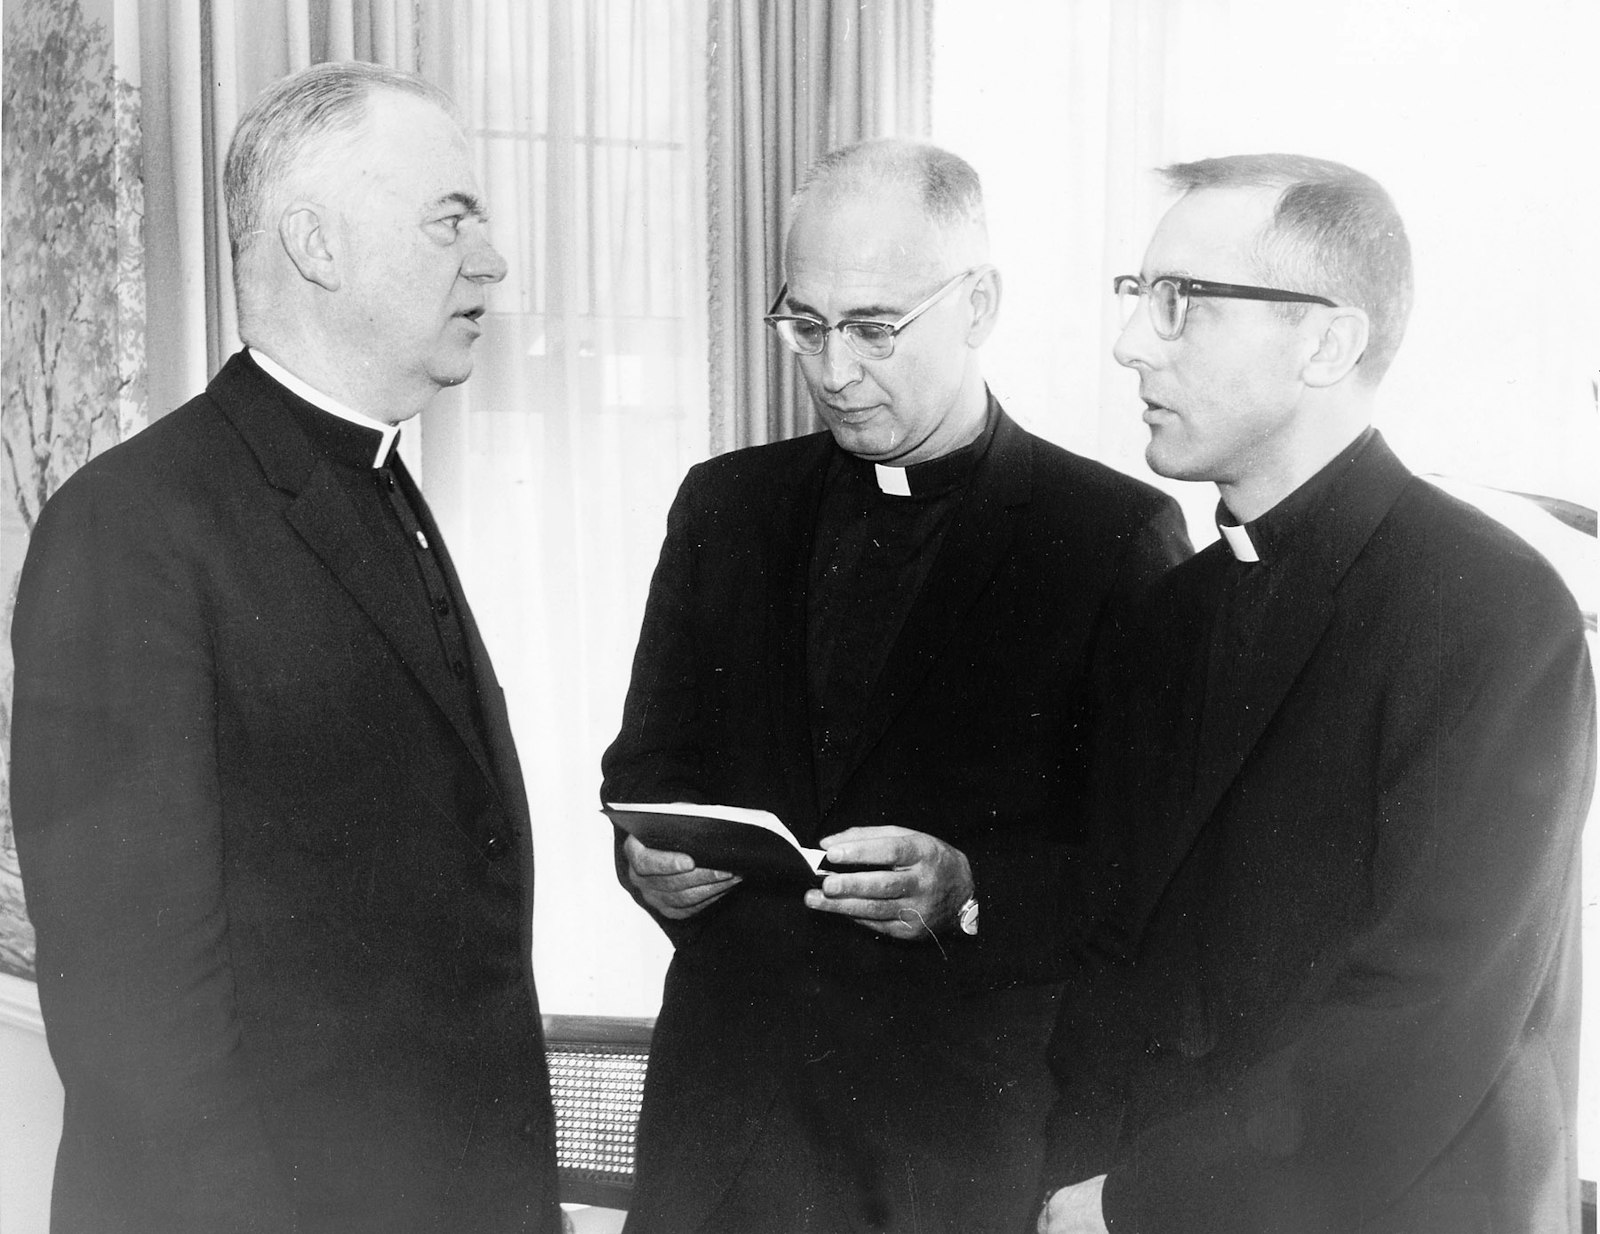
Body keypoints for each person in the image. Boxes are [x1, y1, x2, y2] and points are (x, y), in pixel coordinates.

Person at [601, 138, 1191, 1234]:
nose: (832, 369)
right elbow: (643, 767)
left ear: (977, 305)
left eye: (873, 328)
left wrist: (969, 889)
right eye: (804, 324)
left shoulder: (1107, 537)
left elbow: (1145, 878)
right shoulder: (723, 507)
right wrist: (651, 865)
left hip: (947, 1152)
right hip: (725, 1136)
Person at [9, 62, 561, 1234]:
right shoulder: (134, 526)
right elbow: (139, 1023)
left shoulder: (379, 482)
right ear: (314, 242)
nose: (492, 258)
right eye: (450, 217)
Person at [1037, 154, 1596, 1234]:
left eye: (1182, 304)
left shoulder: (1491, 606)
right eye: (1136, 298)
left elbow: (1426, 1011)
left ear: (1327, 340)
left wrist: (1133, 1202)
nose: (1130, 343)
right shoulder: (1168, 614)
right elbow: (1113, 958)